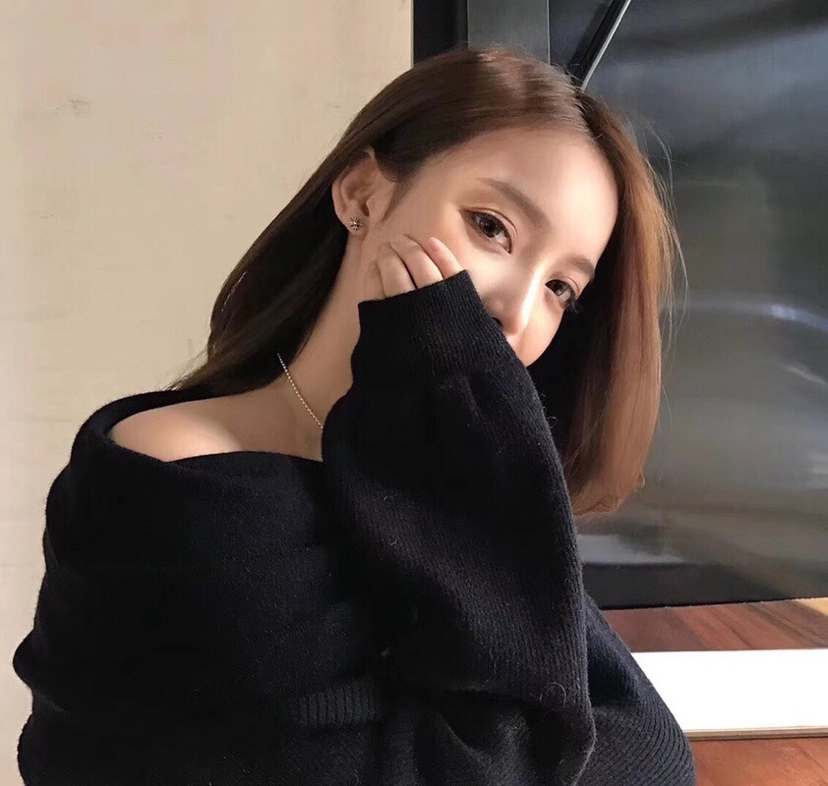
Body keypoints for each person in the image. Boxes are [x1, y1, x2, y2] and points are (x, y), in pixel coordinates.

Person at [12, 45, 696, 784]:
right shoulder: (178, 478)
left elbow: (652, 756)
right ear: (363, 194)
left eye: (561, 288)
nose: (519, 312)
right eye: (491, 227)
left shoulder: (432, 487)